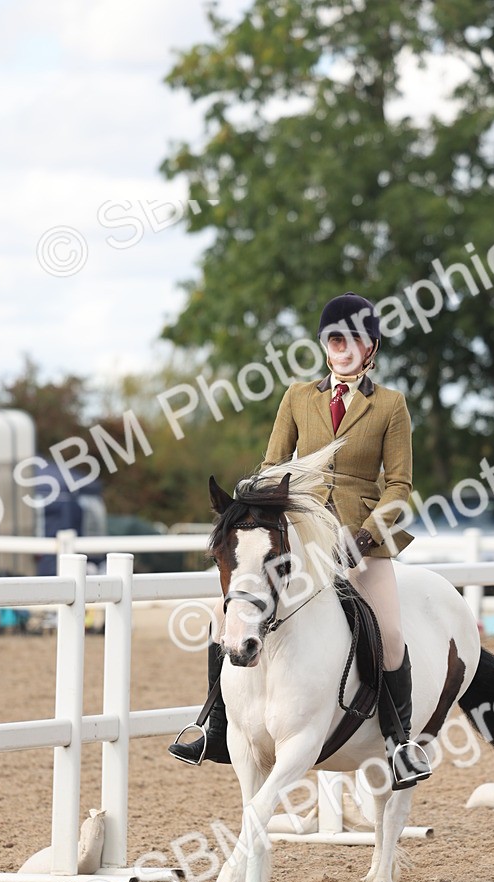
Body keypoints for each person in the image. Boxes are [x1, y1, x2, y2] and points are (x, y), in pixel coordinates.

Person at [170, 292, 432, 791]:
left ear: (371, 347)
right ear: (325, 345)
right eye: (336, 339)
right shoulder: (297, 397)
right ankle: (215, 724)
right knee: (225, 613)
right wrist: (262, 514)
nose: (344, 347)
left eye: (354, 340)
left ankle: (399, 743)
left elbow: (400, 485)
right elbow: (273, 466)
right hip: (298, 537)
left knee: (390, 633)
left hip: (362, 540)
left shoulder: (391, 406)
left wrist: (367, 533)